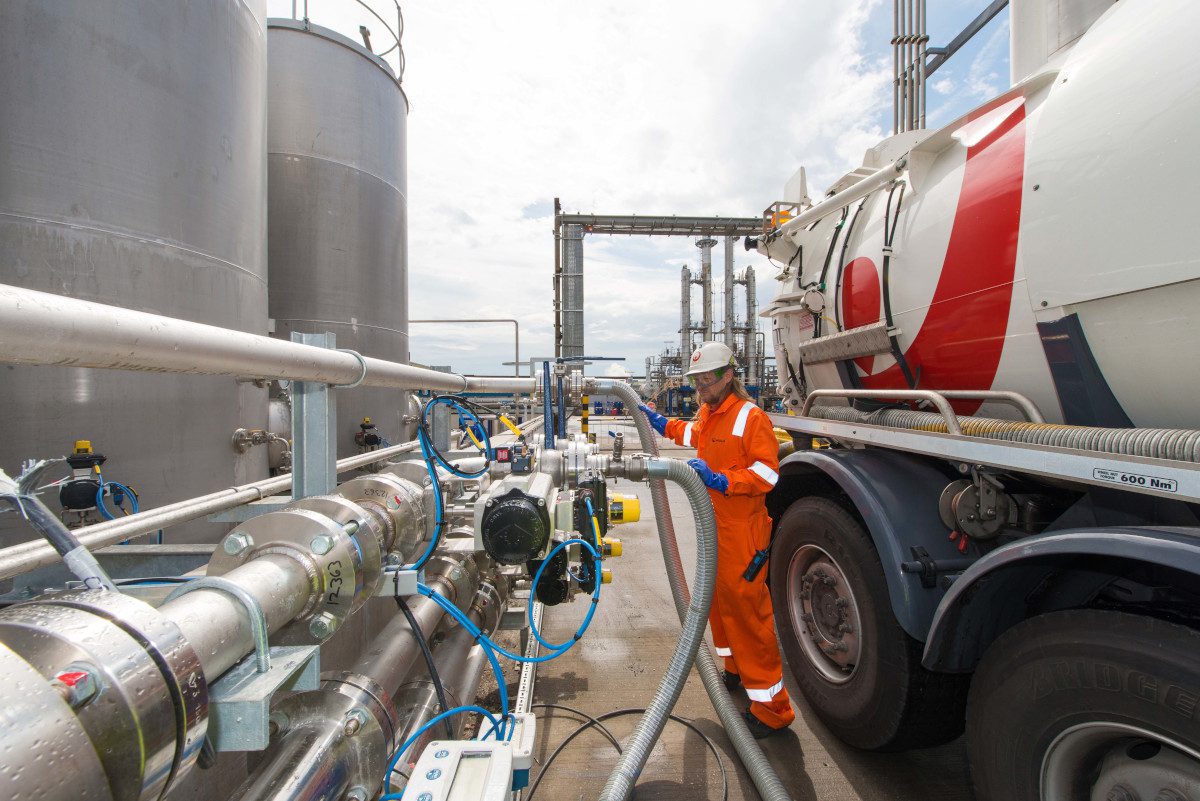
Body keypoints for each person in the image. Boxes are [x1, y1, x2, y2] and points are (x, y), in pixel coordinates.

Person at [639, 341, 795, 739]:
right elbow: (693, 433)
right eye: (695, 380)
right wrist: (659, 422)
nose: (700, 386)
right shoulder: (710, 412)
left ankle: (773, 710)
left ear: (729, 375)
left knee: (748, 615)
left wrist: (723, 480)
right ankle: (735, 670)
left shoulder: (750, 416)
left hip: (742, 532)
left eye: (706, 378)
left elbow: (768, 473)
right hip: (715, 528)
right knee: (717, 605)